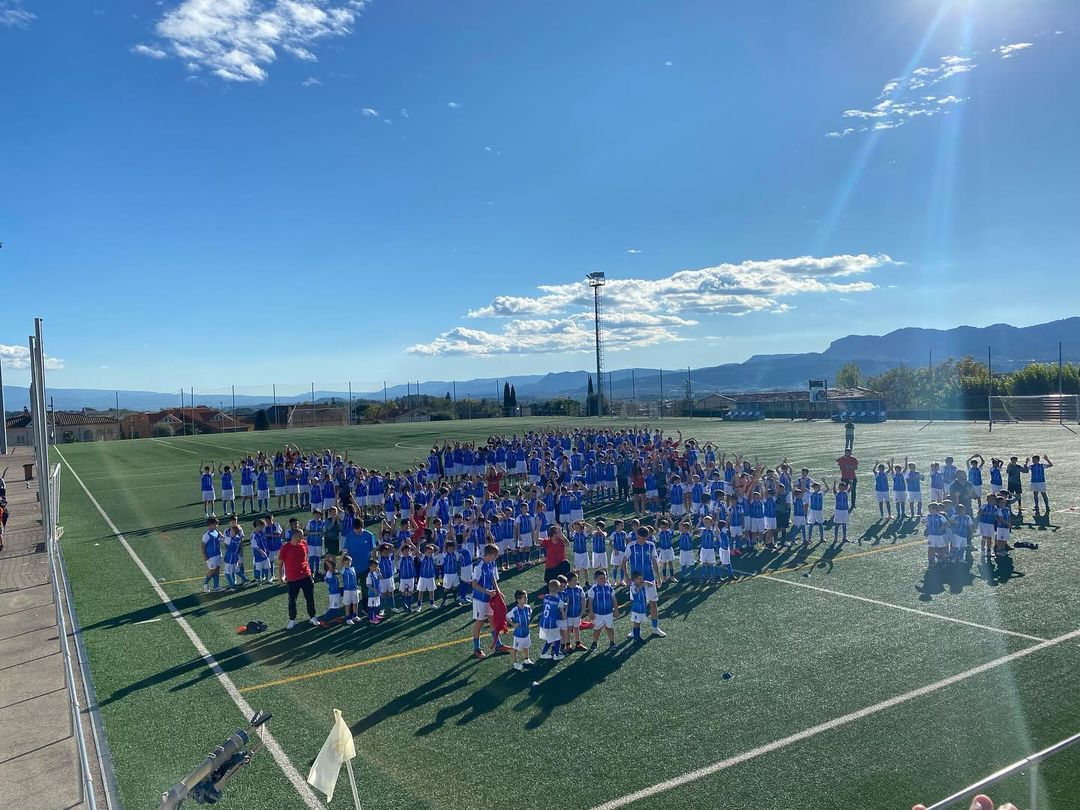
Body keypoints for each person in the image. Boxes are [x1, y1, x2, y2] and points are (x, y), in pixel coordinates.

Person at [625, 527, 666, 637]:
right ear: (636, 536)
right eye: (639, 538)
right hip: (636, 582)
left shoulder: (651, 545)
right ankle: (635, 630)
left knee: (653, 603)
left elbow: (654, 561)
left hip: (649, 579)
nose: (641, 540)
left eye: (643, 539)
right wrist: (626, 577)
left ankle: (655, 627)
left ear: (647, 537)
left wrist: (659, 577)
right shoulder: (631, 546)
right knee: (637, 604)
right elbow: (624, 562)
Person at [278, 527, 319, 629]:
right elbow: (280, 563)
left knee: (310, 598)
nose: (303, 538)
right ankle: (292, 619)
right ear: (295, 536)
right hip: (292, 578)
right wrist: (280, 577)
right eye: (301, 536)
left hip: (306, 576)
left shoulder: (304, 544)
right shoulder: (285, 548)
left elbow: (306, 559)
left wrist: (310, 574)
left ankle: (312, 617)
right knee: (292, 600)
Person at [586, 569, 617, 650]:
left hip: (608, 612)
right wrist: (591, 612)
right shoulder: (593, 589)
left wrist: (616, 610)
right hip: (598, 613)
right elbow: (590, 601)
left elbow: (614, 599)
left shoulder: (609, 588)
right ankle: (594, 642)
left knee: (610, 627)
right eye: (601, 578)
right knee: (597, 628)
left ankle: (612, 642)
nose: (603, 580)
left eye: (604, 577)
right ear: (596, 580)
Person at [538, 579, 566, 660]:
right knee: (557, 638)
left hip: (543, 622)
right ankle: (556, 655)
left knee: (550, 638)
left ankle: (544, 653)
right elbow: (563, 606)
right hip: (552, 623)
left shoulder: (546, 597)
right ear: (558, 589)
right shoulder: (558, 600)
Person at [507, 589, 534, 670]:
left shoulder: (528, 608)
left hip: (526, 632)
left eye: (526, 597)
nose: (526, 599)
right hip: (519, 634)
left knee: (526, 646)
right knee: (515, 648)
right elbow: (507, 617)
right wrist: (513, 624)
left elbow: (530, 615)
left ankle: (526, 659)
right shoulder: (515, 610)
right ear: (518, 599)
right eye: (524, 598)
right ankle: (515, 663)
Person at [200, 517, 223, 593]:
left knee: (217, 570)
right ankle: (205, 584)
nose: (217, 525)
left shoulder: (216, 532)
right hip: (211, 556)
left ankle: (216, 586)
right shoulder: (207, 534)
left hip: (218, 554)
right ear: (210, 524)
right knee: (212, 569)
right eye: (216, 524)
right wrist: (205, 555)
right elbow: (202, 545)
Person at [340, 554, 359, 625]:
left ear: (351, 562)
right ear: (343, 563)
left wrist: (356, 586)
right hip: (347, 590)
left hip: (354, 589)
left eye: (348, 562)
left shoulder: (352, 569)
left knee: (355, 603)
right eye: (345, 563)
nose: (347, 564)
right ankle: (348, 618)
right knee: (347, 604)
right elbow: (340, 564)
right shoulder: (343, 570)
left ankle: (355, 616)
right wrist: (342, 555)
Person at [365, 560, 383, 624]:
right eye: (374, 566)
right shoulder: (369, 575)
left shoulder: (375, 573)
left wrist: (379, 572)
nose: (376, 568)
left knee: (376, 605)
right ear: (370, 567)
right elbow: (368, 585)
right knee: (371, 606)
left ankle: (375, 616)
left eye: (377, 566)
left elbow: (381, 578)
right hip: (372, 594)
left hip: (377, 593)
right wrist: (374, 590)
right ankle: (371, 618)